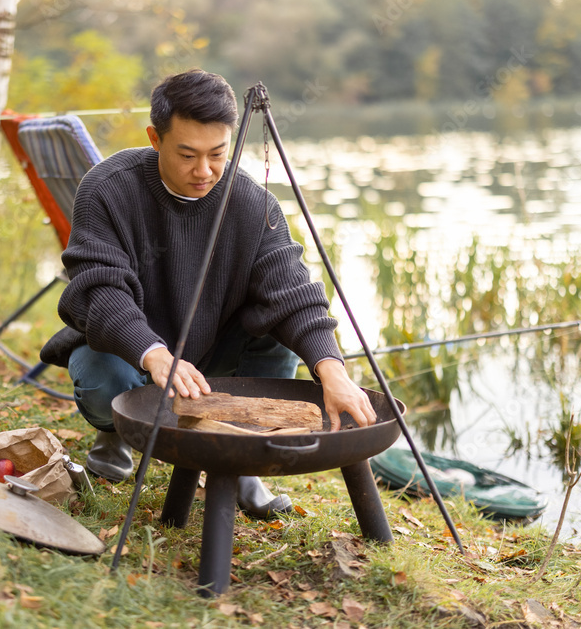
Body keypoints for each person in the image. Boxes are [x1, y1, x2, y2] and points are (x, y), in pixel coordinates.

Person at [40, 68, 377, 518]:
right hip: (127, 348)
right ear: (155, 139)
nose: (204, 171)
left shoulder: (253, 204)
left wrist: (332, 371)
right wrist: (154, 353)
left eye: (217, 154)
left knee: (275, 329)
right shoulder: (107, 189)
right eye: (187, 155)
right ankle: (114, 431)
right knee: (107, 385)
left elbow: (293, 292)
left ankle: (242, 457)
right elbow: (101, 289)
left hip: (211, 350)